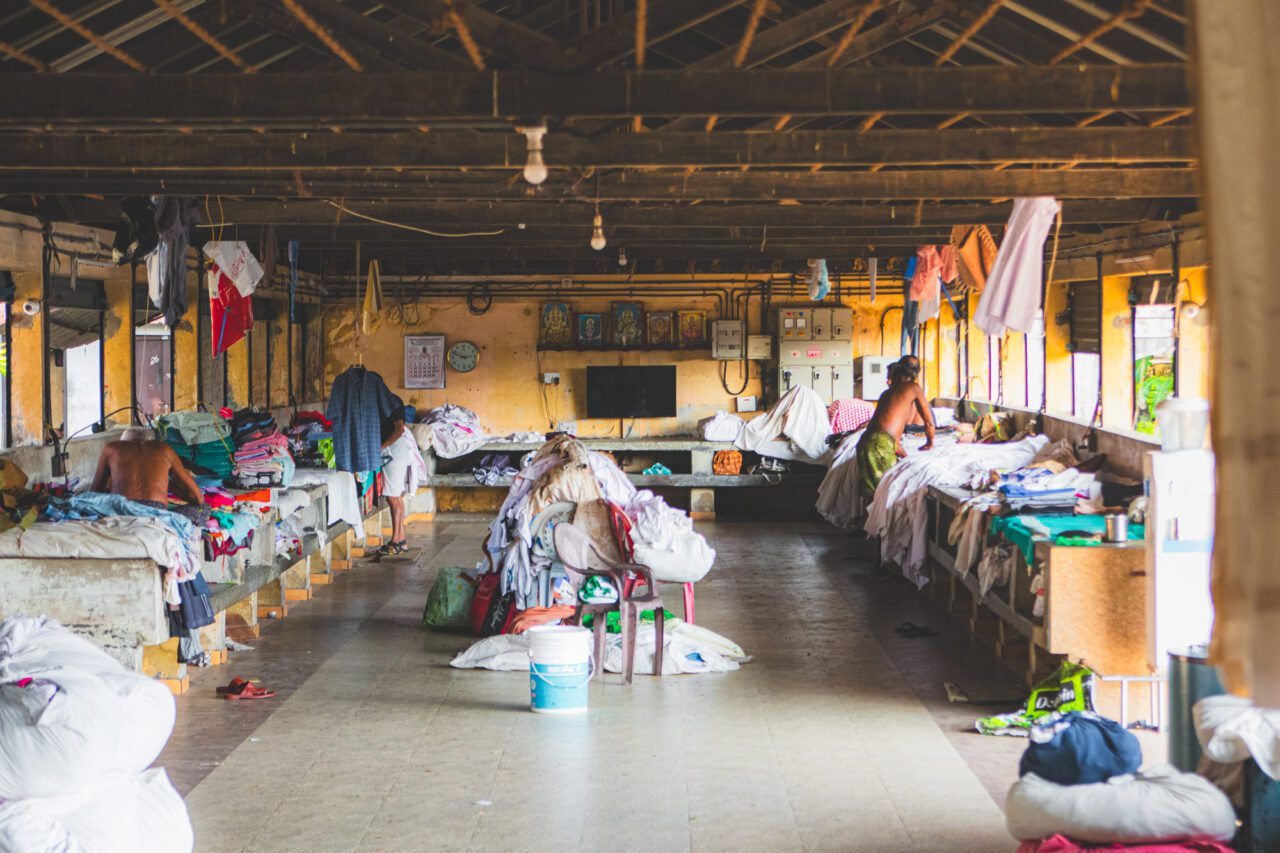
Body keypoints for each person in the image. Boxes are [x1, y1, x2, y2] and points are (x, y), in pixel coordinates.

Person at [856, 360, 936, 497]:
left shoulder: (886, 395)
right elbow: (929, 421)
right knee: (885, 493)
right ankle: (880, 519)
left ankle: (869, 518)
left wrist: (904, 456)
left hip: (865, 441)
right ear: (911, 378)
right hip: (880, 443)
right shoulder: (913, 387)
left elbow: (884, 434)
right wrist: (930, 443)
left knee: (872, 493)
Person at [91, 426, 204, 509]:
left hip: (123, 509)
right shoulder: (164, 450)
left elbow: (94, 493)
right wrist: (167, 485)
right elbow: (199, 499)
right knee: (203, 510)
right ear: (149, 441)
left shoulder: (111, 448)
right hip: (155, 511)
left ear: (123, 443)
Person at [378, 401, 426, 556]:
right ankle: (400, 540)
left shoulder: (392, 403)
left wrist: (383, 446)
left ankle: (396, 540)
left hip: (394, 449)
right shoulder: (386, 402)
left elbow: (399, 429)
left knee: (393, 498)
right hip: (393, 449)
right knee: (395, 498)